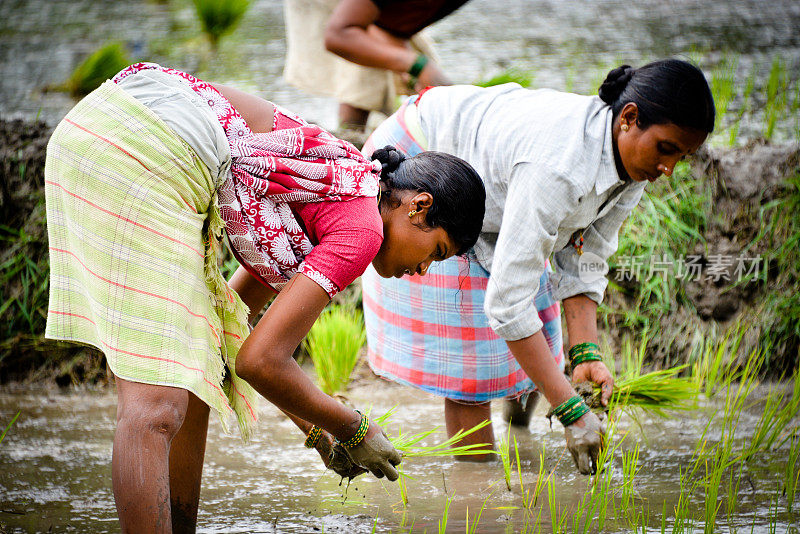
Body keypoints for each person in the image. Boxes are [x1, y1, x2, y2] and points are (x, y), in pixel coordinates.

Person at [43, 62, 485, 532]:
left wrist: (314, 431)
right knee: (154, 408)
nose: (420, 271)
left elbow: (229, 334)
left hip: (99, 124)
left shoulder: (330, 189)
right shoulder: (362, 229)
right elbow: (262, 361)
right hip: (146, 148)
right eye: (435, 253)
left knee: (195, 367)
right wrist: (353, 427)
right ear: (419, 206)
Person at [360, 58, 715, 474]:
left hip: (493, 188)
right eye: (666, 150)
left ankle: (519, 439)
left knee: (540, 321)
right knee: (473, 368)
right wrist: (569, 409)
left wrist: (585, 355)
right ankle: (480, 492)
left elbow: (585, 256)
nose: (667, 170)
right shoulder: (557, 167)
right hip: (424, 167)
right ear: (629, 119)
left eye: (682, 158)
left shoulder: (634, 167)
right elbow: (506, 307)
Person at [283, 0, 469, 129]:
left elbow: (397, 22)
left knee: (396, 65)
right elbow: (338, 35)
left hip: (381, 14)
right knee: (363, 74)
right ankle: (351, 146)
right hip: (341, 16)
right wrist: (418, 66)